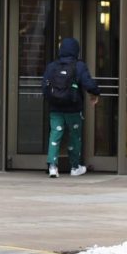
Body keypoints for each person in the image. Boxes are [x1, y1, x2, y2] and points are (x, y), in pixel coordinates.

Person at [41, 37, 100, 178]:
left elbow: (44, 86)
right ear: (76, 51)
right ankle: (75, 167)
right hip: (73, 108)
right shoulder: (79, 66)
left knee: (55, 135)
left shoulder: (52, 66)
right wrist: (95, 93)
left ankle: (53, 167)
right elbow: (88, 83)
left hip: (56, 108)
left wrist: (52, 99)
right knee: (74, 137)